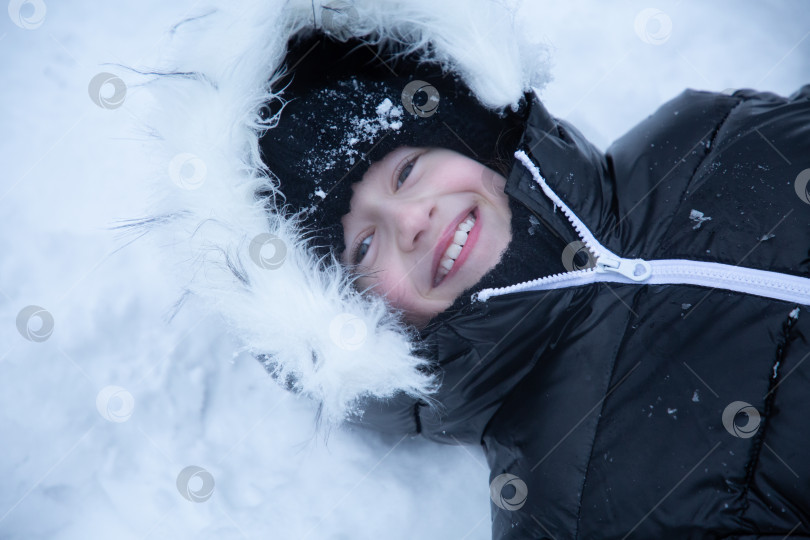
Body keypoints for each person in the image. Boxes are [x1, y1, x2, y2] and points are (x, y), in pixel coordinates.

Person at [257, 27, 810, 540]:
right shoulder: (559, 513)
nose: (410, 221)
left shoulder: (701, 133)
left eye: (406, 172)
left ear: (473, 140)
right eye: (364, 247)